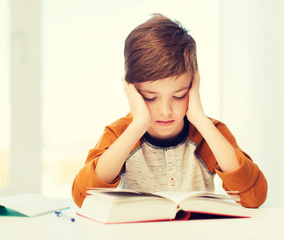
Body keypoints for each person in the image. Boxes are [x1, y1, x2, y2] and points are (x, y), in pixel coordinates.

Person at [72, 14, 267, 208]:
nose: (165, 111)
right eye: (150, 97)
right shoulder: (120, 134)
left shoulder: (209, 133)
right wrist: (138, 125)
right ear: (131, 89)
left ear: (193, 85)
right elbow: (84, 199)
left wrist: (199, 118)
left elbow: (254, 197)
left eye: (179, 95)